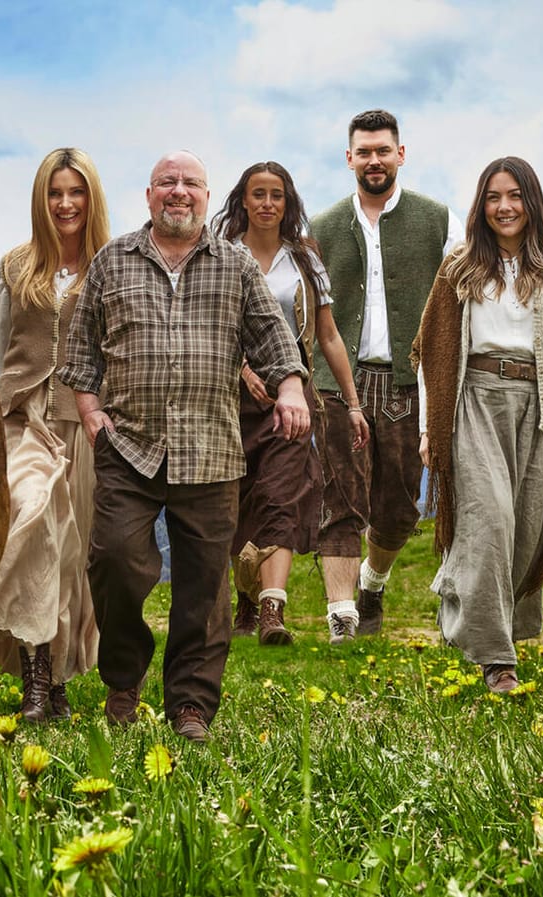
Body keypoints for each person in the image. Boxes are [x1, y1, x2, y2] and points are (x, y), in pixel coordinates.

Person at [61, 151, 309, 743]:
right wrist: (91, 411)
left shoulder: (236, 264)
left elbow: (271, 334)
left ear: (206, 195)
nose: (179, 192)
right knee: (116, 562)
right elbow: (80, 349)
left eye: (191, 184)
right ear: (148, 196)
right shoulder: (111, 261)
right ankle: (124, 679)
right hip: (128, 445)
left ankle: (191, 705)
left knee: (203, 585)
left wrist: (292, 387)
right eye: (167, 183)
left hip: (211, 449)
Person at [413, 157, 543, 693]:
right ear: (481, 205)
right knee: (488, 519)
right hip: (475, 400)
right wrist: (431, 427)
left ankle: (475, 614)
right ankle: (497, 659)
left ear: (531, 201)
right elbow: (433, 352)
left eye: (514, 196)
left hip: (542, 403)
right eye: (493, 197)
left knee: (527, 527)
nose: (504, 207)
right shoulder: (460, 267)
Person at [309, 110, 463, 643]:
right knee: (339, 500)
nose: (374, 160)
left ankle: (373, 586)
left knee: (400, 508)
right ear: (349, 159)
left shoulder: (436, 219)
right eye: (364, 151)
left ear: (401, 154)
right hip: (336, 382)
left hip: (407, 381)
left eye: (383, 150)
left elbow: (457, 298)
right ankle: (343, 620)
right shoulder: (323, 227)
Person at [211, 162, 370, 646]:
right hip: (228, 398)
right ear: (242, 200)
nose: (266, 203)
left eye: (275, 195)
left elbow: (327, 335)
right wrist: (244, 371)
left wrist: (353, 402)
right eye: (257, 194)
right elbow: (211, 328)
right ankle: (245, 596)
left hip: (293, 399)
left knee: (281, 498)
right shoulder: (220, 256)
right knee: (236, 502)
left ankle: (271, 611)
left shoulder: (304, 260)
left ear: (287, 202)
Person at [0, 148, 108, 721]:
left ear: (91, 198)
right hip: (24, 420)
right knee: (31, 523)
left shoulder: (114, 266)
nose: (64, 203)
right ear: (41, 200)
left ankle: (55, 680)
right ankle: (34, 677)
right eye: (54, 193)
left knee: (74, 556)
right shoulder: (14, 266)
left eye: (75, 192)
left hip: (88, 426)